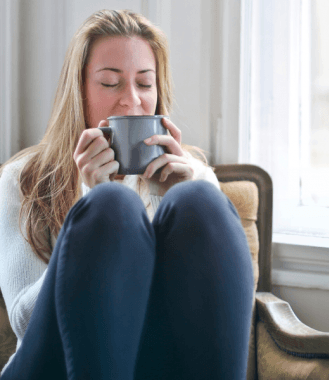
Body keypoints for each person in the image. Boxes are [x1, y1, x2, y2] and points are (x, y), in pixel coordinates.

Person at [0, 9, 254, 380]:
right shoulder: (21, 180)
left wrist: (179, 198)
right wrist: (88, 204)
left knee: (200, 202)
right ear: (80, 92)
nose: (131, 101)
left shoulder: (192, 178)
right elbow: (24, 321)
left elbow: (225, 315)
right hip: (51, 366)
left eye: (145, 84)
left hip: (157, 365)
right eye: (109, 83)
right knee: (111, 206)